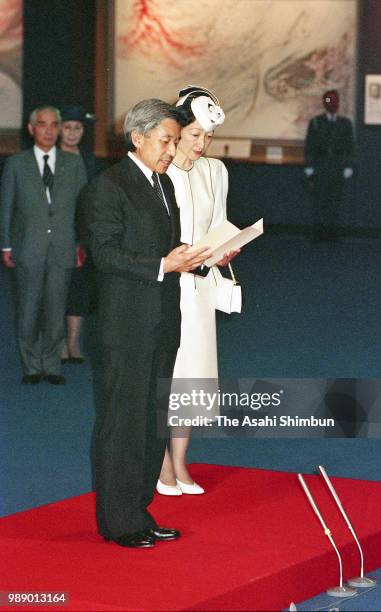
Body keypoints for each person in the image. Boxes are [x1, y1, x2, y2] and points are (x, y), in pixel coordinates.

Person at [84, 98, 211, 548]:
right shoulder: (108, 187)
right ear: (137, 138)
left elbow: (169, 247)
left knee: (152, 420)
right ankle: (118, 522)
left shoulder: (163, 185)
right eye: (166, 140)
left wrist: (202, 258)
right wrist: (162, 264)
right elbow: (106, 254)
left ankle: (139, 510)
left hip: (161, 321)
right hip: (126, 325)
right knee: (123, 421)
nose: (172, 149)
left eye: (176, 141)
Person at [157, 86, 238, 496]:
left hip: (202, 289)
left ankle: (181, 461)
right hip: (168, 289)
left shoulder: (216, 171)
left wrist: (225, 251)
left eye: (208, 137)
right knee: (167, 377)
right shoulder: (160, 169)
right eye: (194, 136)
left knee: (194, 380)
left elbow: (219, 226)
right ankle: (162, 464)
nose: (202, 145)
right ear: (177, 131)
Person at [0, 105, 87, 385]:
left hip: (62, 248)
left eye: (54, 125)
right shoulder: (16, 164)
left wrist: (79, 244)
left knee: (55, 308)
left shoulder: (73, 164)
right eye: (42, 124)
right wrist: (6, 245)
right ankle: (31, 365)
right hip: (28, 248)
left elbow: (83, 209)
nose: (48, 130)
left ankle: (52, 365)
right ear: (31, 129)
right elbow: (6, 208)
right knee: (28, 309)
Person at [59, 105, 96, 364]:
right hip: (55, 235)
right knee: (54, 291)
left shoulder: (87, 158)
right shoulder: (48, 157)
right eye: (67, 127)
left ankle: (73, 342)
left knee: (78, 291)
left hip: (82, 235)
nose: (72, 133)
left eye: (78, 128)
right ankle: (57, 342)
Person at [304, 90, 355, 241]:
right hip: (321, 164)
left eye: (335, 101)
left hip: (337, 164)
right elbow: (310, 145)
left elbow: (350, 146)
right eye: (329, 100)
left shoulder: (345, 123)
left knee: (335, 199)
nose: (332, 103)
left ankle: (332, 231)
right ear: (324, 103)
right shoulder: (316, 122)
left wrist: (349, 166)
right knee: (320, 199)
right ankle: (319, 231)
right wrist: (309, 166)